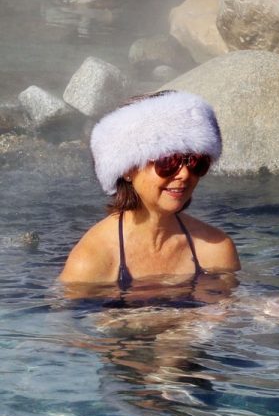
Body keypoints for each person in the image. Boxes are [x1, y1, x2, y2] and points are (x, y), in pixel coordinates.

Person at [60, 91, 239, 295]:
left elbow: (227, 313)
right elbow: (67, 323)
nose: (185, 173)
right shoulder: (92, 260)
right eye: (168, 162)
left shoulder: (216, 249)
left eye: (196, 162)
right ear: (127, 169)